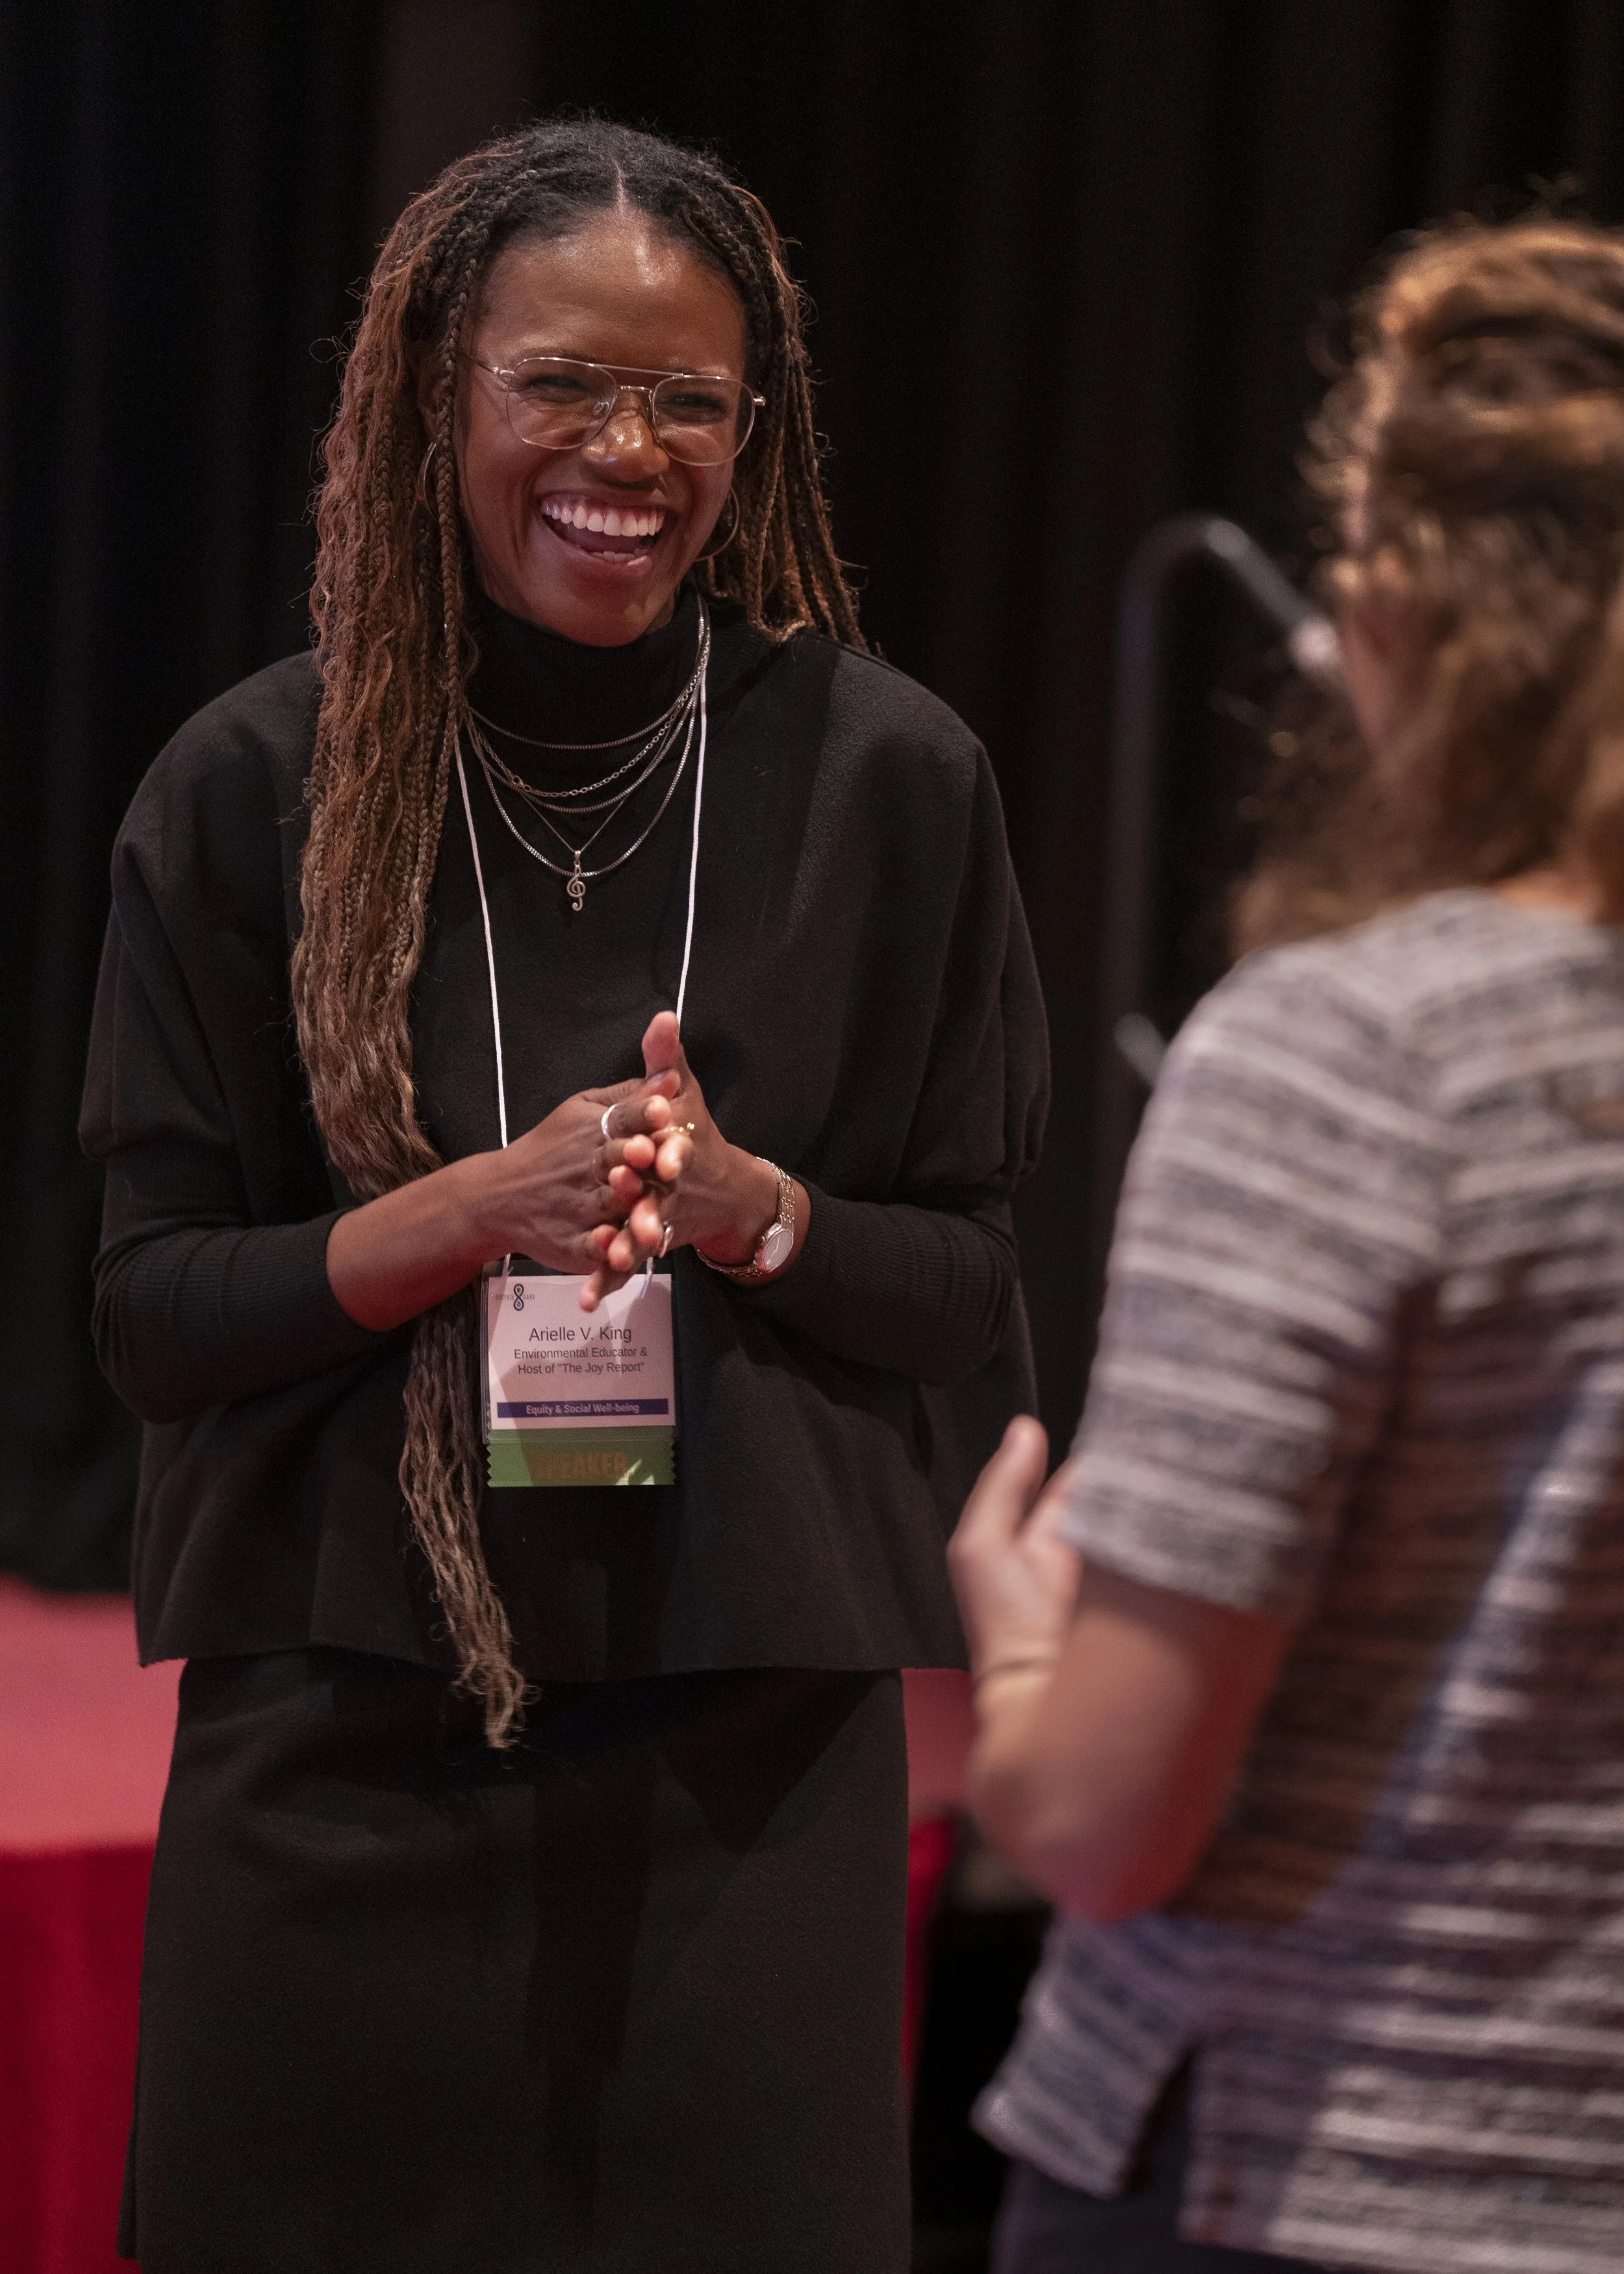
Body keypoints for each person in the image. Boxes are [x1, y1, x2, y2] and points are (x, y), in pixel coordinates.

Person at [81, 119, 1047, 2273]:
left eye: (688, 399)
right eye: (560, 384)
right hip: (340, 1745)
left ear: (750, 426)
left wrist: (753, 1210)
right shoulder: (256, 787)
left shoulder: (891, 783)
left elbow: (963, 1286)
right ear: (439, 399)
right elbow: (152, 1317)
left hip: (744, 1772)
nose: (626, 448)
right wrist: (467, 1212)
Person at [948, 216, 1624, 2274]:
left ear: (1397, 609)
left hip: (1300, 2162)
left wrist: (1017, 1630)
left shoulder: (1354, 1058)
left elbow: (1103, 1815)